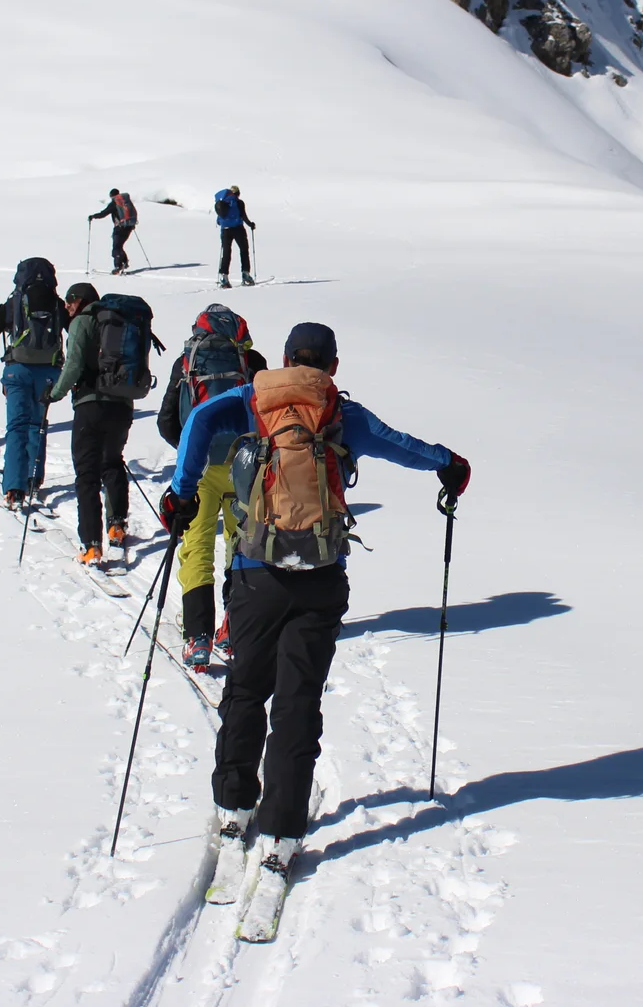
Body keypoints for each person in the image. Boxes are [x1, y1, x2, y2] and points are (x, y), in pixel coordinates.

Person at [159, 321, 470, 898]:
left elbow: (200, 420)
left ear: (283, 357)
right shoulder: (338, 412)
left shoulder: (254, 399)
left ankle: (234, 807)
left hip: (255, 574)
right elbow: (400, 444)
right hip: (321, 577)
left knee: (247, 690)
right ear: (331, 363)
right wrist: (448, 463)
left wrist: (181, 491)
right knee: (298, 700)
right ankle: (282, 832)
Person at [157, 304, 268, 668]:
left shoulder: (187, 362)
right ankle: (235, 629)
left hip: (201, 471)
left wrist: (191, 452)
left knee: (197, 547)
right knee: (242, 547)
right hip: (245, 467)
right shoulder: (253, 361)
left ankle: (197, 637)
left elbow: (167, 421)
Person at [48, 283, 162, 563]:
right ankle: (117, 525)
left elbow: (73, 365)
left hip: (90, 404)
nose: (67, 306)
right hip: (122, 406)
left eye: (70, 300)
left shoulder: (84, 322)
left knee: (86, 474)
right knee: (112, 462)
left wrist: (54, 394)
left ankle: (91, 544)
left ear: (81, 301)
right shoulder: (122, 321)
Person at [0, 258, 66, 507]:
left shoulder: (14, 301)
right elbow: (72, 328)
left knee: (16, 427)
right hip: (48, 371)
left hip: (18, 371)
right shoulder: (56, 303)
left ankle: (14, 486)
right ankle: (33, 479)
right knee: (37, 424)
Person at [213, 185, 257, 288]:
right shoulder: (239, 203)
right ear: (238, 194)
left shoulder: (223, 202)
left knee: (226, 253)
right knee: (244, 250)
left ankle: (224, 278)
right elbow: (244, 217)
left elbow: (219, 221)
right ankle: (245, 275)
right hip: (238, 228)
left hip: (225, 230)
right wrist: (251, 225)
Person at [89, 189, 138, 275]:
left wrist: (93, 216)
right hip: (129, 227)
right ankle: (124, 262)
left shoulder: (114, 203)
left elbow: (104, 213)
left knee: (116, 248)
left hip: (119, 228)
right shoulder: (125, 202)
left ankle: (118, 266)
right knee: (119, 246)